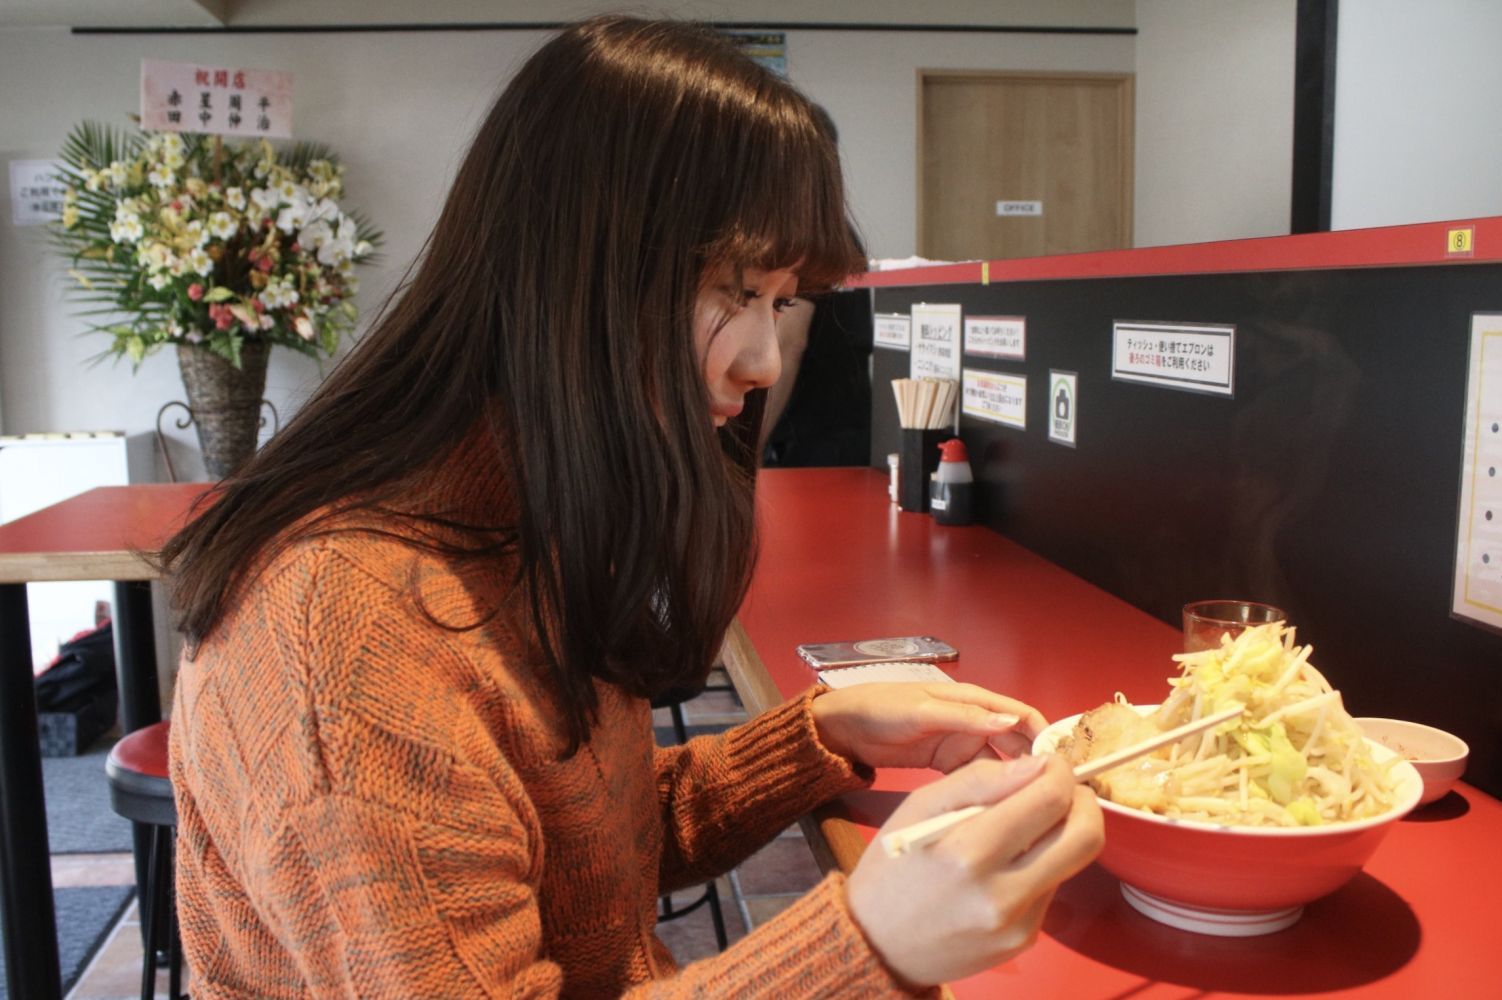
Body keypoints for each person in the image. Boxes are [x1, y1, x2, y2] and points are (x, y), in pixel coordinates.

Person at [161, 16, 1103, 997]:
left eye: (781, 301)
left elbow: (577, 836)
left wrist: (823, 734)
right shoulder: (344, 630)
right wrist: (866, 947)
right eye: (731, 288)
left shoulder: (517, 518)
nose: (762, 359)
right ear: (574, 269)